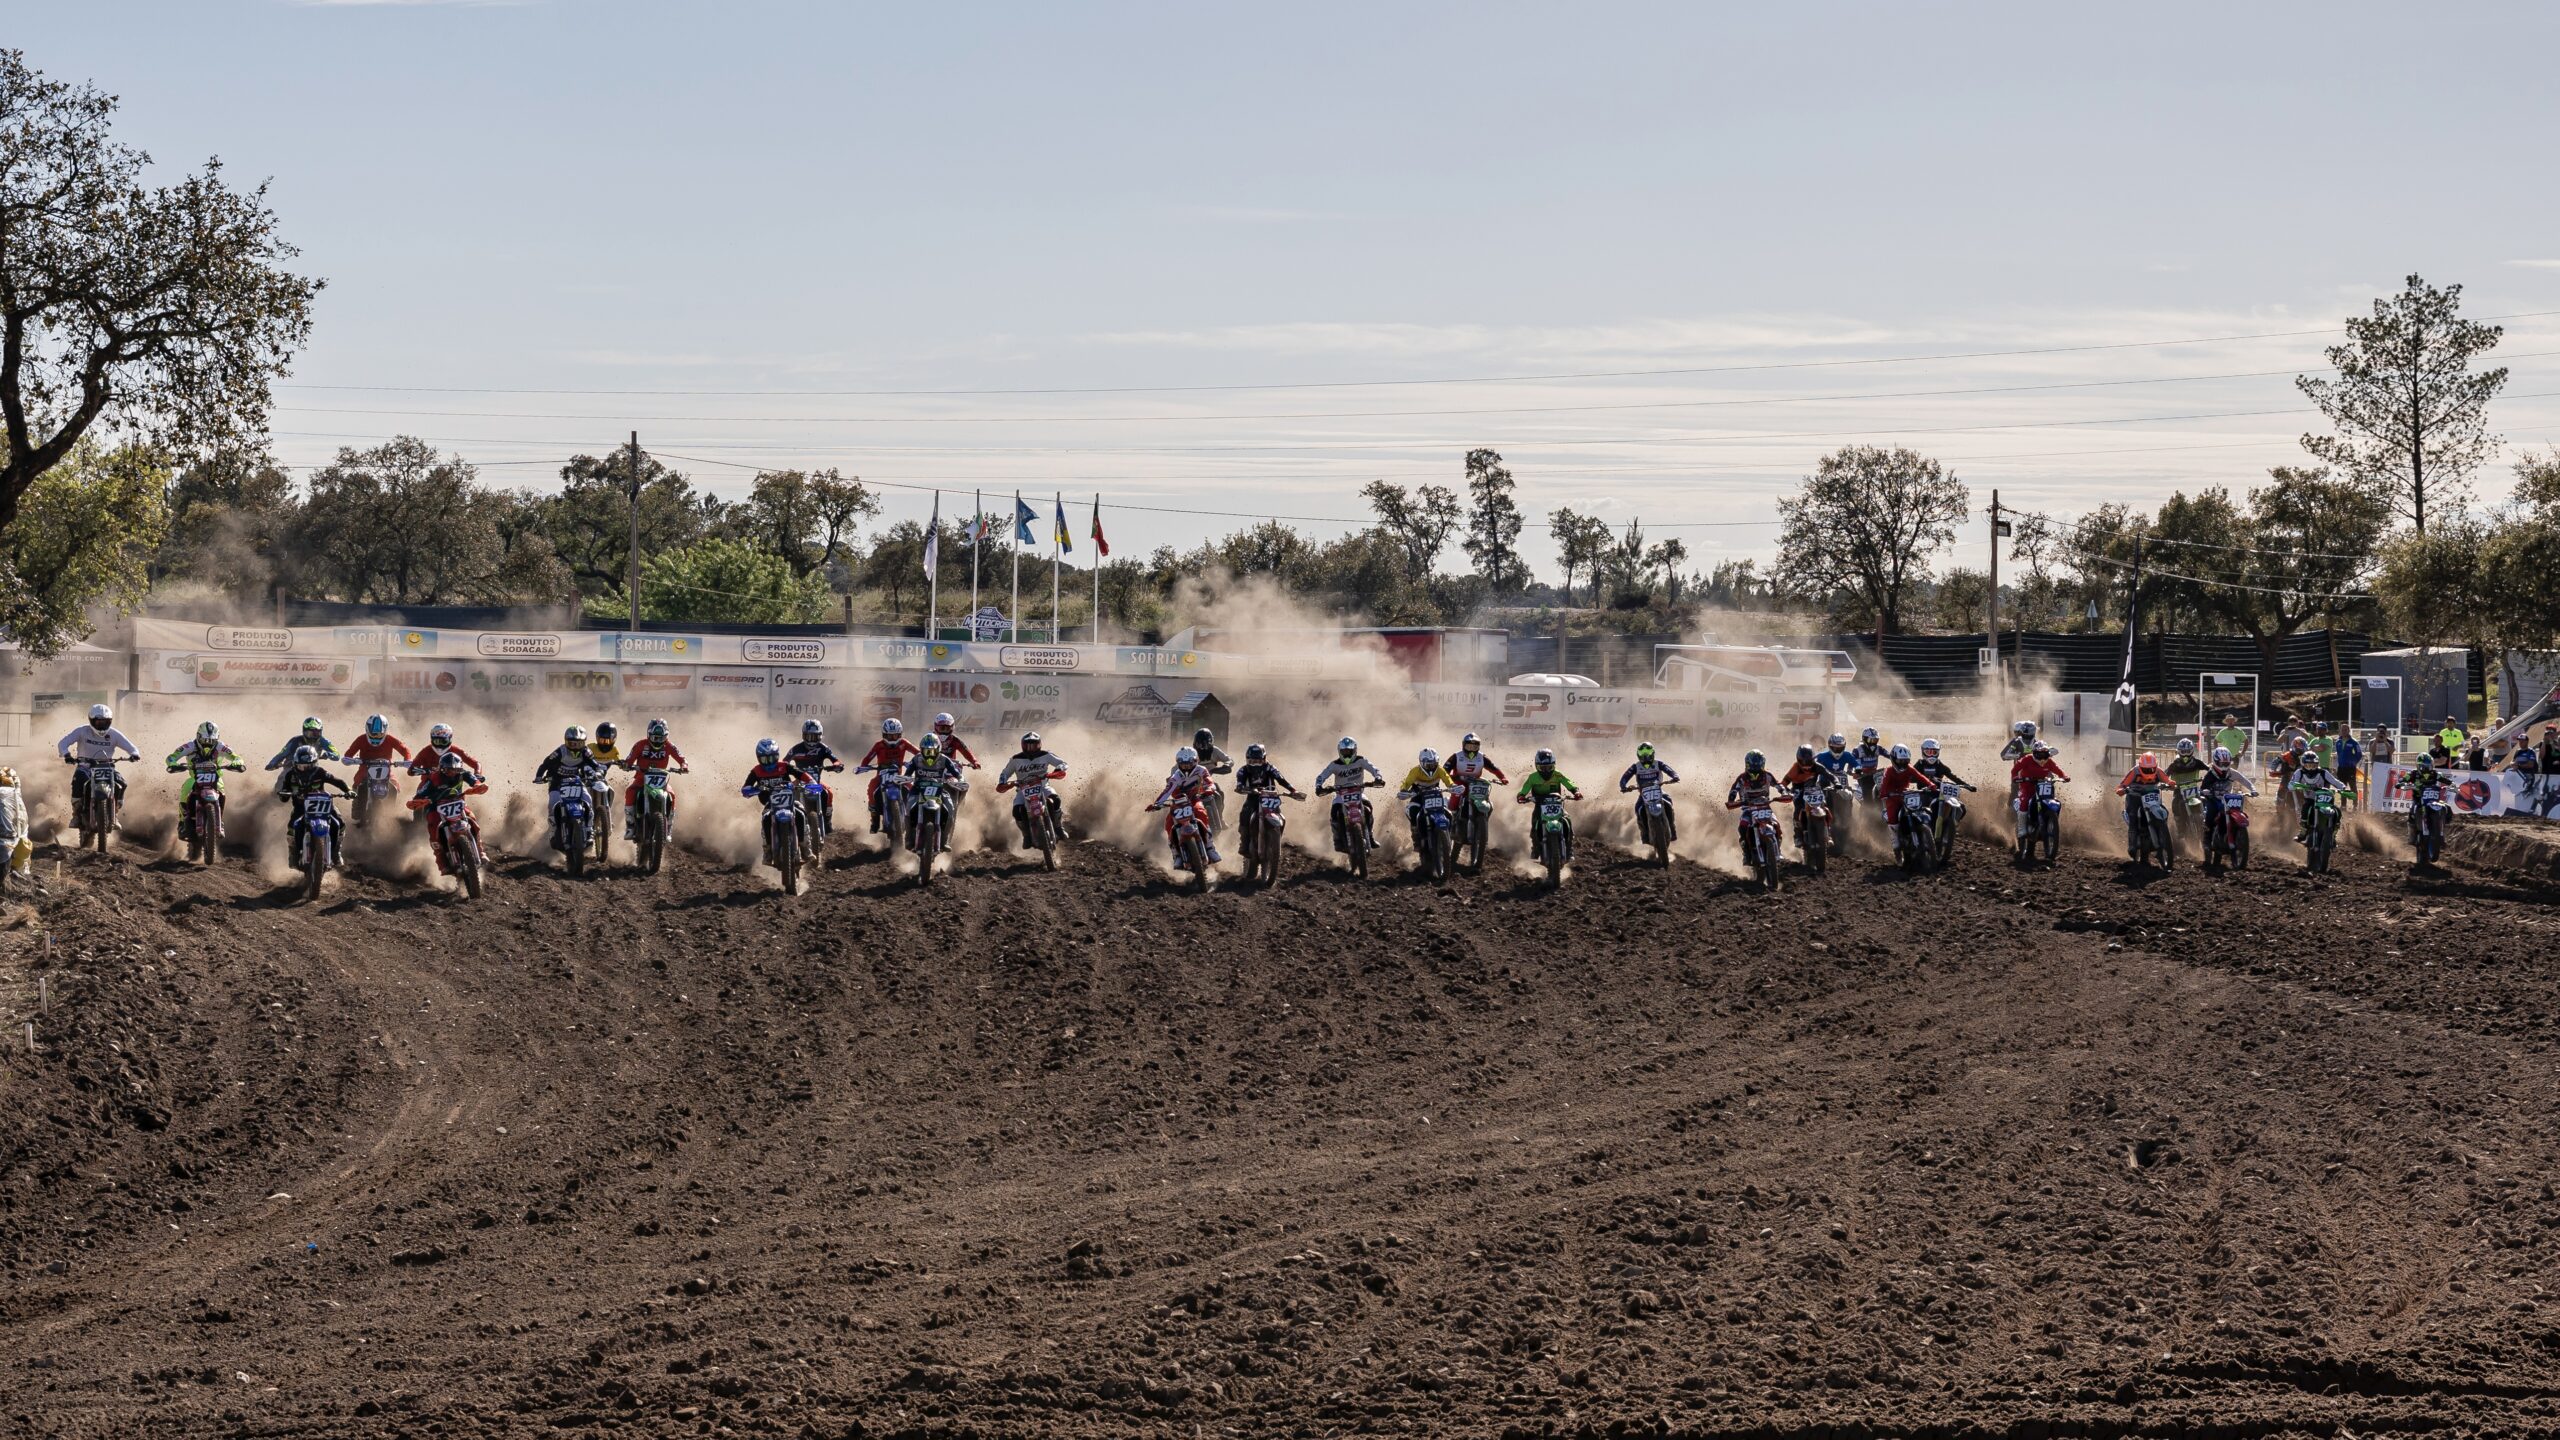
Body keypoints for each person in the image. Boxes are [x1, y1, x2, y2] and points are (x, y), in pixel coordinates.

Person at [406, 752, 489, 874]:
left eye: (456, 770)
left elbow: (475, 781)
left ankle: (481, 852)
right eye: (450, 770)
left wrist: (478, 786)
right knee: (433, 828)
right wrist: (418, 801)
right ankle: (441, 862)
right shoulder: (433, 778)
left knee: (472, 819)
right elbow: (420, 793)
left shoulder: (463, 774)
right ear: (442, 769)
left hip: (457, 803)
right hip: (435, 807)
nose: (453, 773)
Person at [165, 721, 247, 844]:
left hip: (215, 778)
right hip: (195, 777)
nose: (207, 743)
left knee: (222, 792)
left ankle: (219, 821)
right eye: (204, 740)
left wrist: (237, 763)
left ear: (217, 738)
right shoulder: (189, 746)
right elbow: (171, 757)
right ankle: (183, 822)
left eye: (211, 740)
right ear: (198, 736)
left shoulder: (221, 746)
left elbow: (237, 757)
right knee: (186, 789)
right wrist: (173, 764)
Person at [273, 744, 353, 867]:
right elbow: (284, 796)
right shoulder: (290, 775)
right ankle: (294, 853)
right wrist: (283, 794)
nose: (304, 769)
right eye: (301, 766)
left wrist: (348, 790)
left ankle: (336, 852)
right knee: (293, 827)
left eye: (308, 766)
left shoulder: (320, 772)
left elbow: (338, 781)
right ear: (295, 763)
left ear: (315, 763)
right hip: (301, 807)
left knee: (339, 823)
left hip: (323, 805)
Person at [57, 702, 141, 819]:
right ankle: (77, 813)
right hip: (85, 767)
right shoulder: (82, 731)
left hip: (107, 768)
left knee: (122, 783)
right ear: (91, 720)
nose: (101, 726)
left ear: (110, 721)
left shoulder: (114, 734)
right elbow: (63, 743)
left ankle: (115, 810)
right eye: (98, 722)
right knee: (78, 781)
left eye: (105, 722)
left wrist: (134, 754)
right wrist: (66, 755)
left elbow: (131, 747)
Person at [1146, 745, 1220, 864]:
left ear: (1195, 761)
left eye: (1189, 764)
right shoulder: (1175, 776)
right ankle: (1176, 854)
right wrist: (1156, 804)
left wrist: (1209, 789)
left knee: (1201, 813)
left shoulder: (1201, 770)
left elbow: (1209, 781)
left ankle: (1210, 848)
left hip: (1195, 798)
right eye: (1183, 764)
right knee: (1169, 823)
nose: (1186, 767)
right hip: (1178, 802)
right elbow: (1167, 791)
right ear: (1178, 763)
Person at [620, 718, 691, 839]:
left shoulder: (669, 746)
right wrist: (627, 764)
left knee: (671, 795)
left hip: (661, 779)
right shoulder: (640, 745)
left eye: (661, 738)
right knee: (630, 791)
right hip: (641, 778)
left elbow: (682, 758)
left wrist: (684, 766)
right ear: (649, 735)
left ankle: (668, 827)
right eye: (655, 738)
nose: (658, 741)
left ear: (666, 736)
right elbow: (629, 758)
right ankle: (630, 826)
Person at [1314, 736, 1386, 854]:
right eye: (1344, 752)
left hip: (1358, 793)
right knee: (1334, 812)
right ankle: (1337, 839)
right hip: (1340, 796)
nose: (1347, 755)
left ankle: (1371, 836)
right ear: (1339, 752)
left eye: (1349, 752)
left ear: (1355, 750)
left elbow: (1374, 769)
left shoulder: (1361, 760)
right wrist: (1319, 786)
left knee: (1368, 809)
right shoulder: (1334, 764)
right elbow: (1321, 776)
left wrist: (1378, 778)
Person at [995, 731, 1071, 842]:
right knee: (1017, 811)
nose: (1031, 748)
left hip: (1043, 785)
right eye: (1028, 745)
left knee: (1056, 800)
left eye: (1034, 745)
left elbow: (1063, 763)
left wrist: (1057, 770)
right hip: (1022, 789)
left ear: (1039, 744)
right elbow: (1005, 773)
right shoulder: (1015, 759)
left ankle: (1058, 827)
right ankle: (1026, 835)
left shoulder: (1046, 755)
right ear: (1023, 745)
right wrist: (1003, 782)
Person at [739, 739, 813, 848]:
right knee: (766, 818)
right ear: (759, 758)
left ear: (777, 756)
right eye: (765, 759)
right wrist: (753, 790)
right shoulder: (756, 771)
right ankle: (767, 848)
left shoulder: (784, 766)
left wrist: (811, 782)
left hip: (789, 801)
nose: (769, 762)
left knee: (801, 813)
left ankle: (804, 844)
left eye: (772, 758)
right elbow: (745, 787)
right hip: (770, 803)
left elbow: (801, 774)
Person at [341, 714, 412, 826]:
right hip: (365, 767)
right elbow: (348, 754)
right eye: (373, 734)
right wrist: (350, 760)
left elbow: (404, 749)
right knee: (358, 781)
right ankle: (357, 808)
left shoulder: (390, 739)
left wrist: (407, 760)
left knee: (394, 785)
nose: (375, 737)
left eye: (379, 734)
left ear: (385, 731)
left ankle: (391, 812)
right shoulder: (361, 739)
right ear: (367, 729)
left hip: (385, 768)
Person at [904, 733, 971, 852]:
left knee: (951, 808)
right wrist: (905, 778)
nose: (929, 754)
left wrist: (960, 781)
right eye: (926, 751)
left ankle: (945, 840)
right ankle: (908, 837)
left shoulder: (944, 760)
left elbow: (957, 774)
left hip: (939, 788)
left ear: (938, 749)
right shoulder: (917, 759)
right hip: (918, 788)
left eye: (932, 751)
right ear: (921, 749)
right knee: (908, 808)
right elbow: (907, 774)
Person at [855, 718, 920, 834]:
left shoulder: (904, 743)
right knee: (871, 788)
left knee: (913, 790)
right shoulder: (878, 745)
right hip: (881, 776)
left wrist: (919, 762)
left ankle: (914, 818)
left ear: (900, 735)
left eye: (895, 736)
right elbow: (867, 758)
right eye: (889, 736)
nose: (892, 739)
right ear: (884, 735)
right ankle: (875, 821)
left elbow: (918, 753)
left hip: (899, 777)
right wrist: (864, 766)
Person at [1876, 744, 1939, 856]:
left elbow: (1920, 777)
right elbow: (1884, 785)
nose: (1903, 764)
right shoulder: (1889, 771)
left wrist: (1931, 785)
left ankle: (1923, 833)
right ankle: (1896, 843)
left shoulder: (1910, 768)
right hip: (1893, 797)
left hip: (1906, 793)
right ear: (1894, 759)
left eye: (1905, 761)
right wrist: (1884, 794)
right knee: (1892, 818)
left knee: (1921, 810)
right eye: (1900, 761)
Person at [783, 719, 846, 831]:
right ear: (803, 735)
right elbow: (784, 762)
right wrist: (784, 769)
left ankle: (827, 822)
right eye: (808, 736)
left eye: (814, 737)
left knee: (828, 793)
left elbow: (835, 760)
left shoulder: (823, 748)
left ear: (820, 736)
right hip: (799, 782)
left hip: (816, 782)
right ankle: (786, 822)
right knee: (786, 793)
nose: (811, 740)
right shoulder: (796, 749)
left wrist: (837, 765)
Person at [1514, 748, 1582, 850]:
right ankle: (1536, 847)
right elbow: (1525, 787)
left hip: (1557, 803)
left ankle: (1569, 848)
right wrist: (1521, 795)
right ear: (1537, 767)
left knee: (1567, 819)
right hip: (1540, 804)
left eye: (1549, 767)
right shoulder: (1533, 777)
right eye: (1543, 768)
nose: (1546, 771)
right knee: (1535, 821)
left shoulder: (1557, 774)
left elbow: (1568, 783)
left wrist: (1575, 791)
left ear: (1554, 765)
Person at [2010, 739, 2071, 849]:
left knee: (2053, 799)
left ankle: (2050, 821)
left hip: (2043, 785)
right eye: (2039, 754)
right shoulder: (2026, 759)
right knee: (2023, 802)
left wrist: (2064, 776)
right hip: (2027, 786)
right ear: (2034, 753)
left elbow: (2058, 770)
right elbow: (2015, 770)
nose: (2042, 758)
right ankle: (2022, 829)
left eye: (2045, 754)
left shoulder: (2049, 761)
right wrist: (2016, 778)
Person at [1395, 747, 1457, 852]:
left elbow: (1448, 780)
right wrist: (1404, 790)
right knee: (1413, 812)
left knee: (1449, 815)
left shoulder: (1440, 770)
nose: (1432, 767)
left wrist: (1453, 786)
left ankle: (1448, 837)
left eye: (1433, 764)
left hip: (1436, 796)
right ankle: (1416, 838)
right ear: (1422, 763)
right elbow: (1406, 783)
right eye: (1429, 765)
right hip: (1418, 796)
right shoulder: (1415, 771)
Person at [2115, 752, 2173, 858]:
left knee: (2164, 810)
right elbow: (2123, 784)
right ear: (2140, 766)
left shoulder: (2159, 771)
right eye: (2146, 770)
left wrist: (2171, 784)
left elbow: (2167, 780)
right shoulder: (2134, 771)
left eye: (2152, 769)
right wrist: (2121, 789)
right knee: (2133, 817)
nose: (2150, 772)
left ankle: (2162, 833)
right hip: (2135, 796)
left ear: (2155, 766)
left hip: (2152, 795)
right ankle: (2132, 844)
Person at [1724, 748, 1782, 852]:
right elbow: (1734, 790)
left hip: (1765, 807)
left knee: (1776, 825)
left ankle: (1778, 849)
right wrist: (1731, 800)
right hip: (1748, 808)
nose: (1755, 767)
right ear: (1747, 764)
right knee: (1743, 827)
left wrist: (1785, 793)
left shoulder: (1767, 776)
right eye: (1753, 765)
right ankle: (1746, 852)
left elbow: (1778, 785)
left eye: (1757, 765)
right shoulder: (1742, 778)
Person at [1618, 742, 1681, 833]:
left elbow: (1670, 770)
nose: (1645, 756)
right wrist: (1623, 786)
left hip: (1658, 791)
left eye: (1647, 753)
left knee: (1668, 801)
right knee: (1638, 808)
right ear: (1638, 755)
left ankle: (1672, 827)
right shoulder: (1635, 767)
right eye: (1642, 754)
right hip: (1643, 794)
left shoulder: (1658, 764)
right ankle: (1644, 834)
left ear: (1652, 753)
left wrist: (1675, 777)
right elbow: (1624, 777)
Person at [1190, 726, 1234, 833]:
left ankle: (1220, 818)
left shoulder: (1215, 751)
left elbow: (1229, 760)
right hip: (1191, 782)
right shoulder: (1190, 753)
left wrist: (1225, 765)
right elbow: (1178, 766)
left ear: (1211, 743)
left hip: (1208, 781)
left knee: (1219, 795)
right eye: (1200, 744)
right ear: (1195, 743)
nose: (1203, 747)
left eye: (1206, 744)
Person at [264, 716, 339, 772]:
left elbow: (336, 754)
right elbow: (281, 754)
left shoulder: (323, 741)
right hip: (291, 769)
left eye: (316, 732)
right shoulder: (295, 741)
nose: (313, 736)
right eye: (310, 732)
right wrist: (272, 764)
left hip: (312, 769)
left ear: (321, 731)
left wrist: (329, 754)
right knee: (282, 783)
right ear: (304, 731)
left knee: (322, 777)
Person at [2163, 737, 2210, 826]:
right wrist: (2165, 783)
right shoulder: (2174, 765)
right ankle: (2179, 826)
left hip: (2194, 790)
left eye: (2188, 751)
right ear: (2179, 751)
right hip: (2179, 791)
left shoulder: (2197, 762)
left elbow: (2210, 769)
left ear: (2192, 751)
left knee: (2205, 799)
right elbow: (2164, 775)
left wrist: (2213, 776)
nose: (2185, 754)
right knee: (2176, 803)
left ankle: (2207, 823)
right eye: (2183, 752)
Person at [408, 722, 481, 779]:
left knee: (460, 793)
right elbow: (410, 771)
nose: (440, 746)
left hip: (451, 785)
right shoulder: (426, 751)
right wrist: (424, 771)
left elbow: (476, 764)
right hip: (428, 784)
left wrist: (477, 774)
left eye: (444, 742)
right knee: (418, 796)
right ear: (432, 739)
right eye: (437, 741)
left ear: (450, 739)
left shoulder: (457, 751)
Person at [1443, 732, 1507, 796]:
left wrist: (1502, 778)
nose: (1471, 750)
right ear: (1463, 746)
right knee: (1456, 798)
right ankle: (1452, 806)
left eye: (1474, 747)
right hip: (1459, 782)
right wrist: (1453, 778)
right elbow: (1444, 771)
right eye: (1469, 747)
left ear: (1478, 747)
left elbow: (1493, 768)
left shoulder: (1482, 757)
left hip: (1476, 783)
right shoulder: (1456, 756)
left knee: (1484, 797)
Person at [1851, 726, 1887, 801]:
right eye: (1871, 740)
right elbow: (1850, 766)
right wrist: (1853, 773)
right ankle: (1868, 809)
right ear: (1864, 739)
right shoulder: (1857, 750)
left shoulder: (1879, 748)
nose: (1873, 742)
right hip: (1863, 777)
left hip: (1875, 776)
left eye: (1875, 740)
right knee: (1868, 791)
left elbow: (1891, 756)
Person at [2335, 727, 2365, 809]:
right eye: (2342, 730)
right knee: (2342, 786)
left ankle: (2355, 805)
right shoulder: (2338, 742)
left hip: (2350, 768)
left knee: (2353, 786)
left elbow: (2359, 753)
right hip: (2341, 768)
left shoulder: (2354, 742)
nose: (2344, 731)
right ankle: (2343, 805)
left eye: (2345, 730)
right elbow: (2338, 753)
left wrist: (2353, 762)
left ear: (2348, 731)